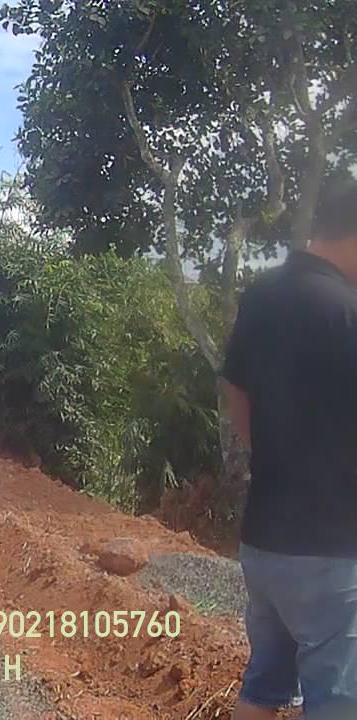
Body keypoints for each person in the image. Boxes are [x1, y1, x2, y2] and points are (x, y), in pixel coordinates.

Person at [224, 173, 357, 720]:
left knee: (263, 685)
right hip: (331, 549)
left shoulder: (262, 295)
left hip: (264, 542)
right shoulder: (348, 310)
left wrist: (267, 449)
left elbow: (234, 386)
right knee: (336, 702)